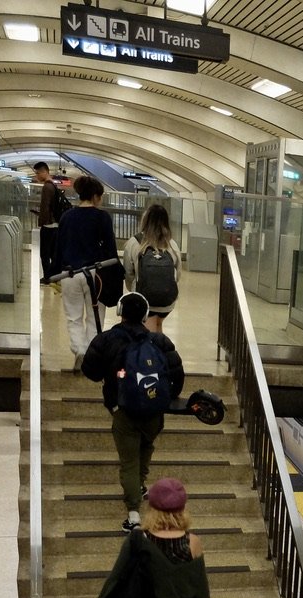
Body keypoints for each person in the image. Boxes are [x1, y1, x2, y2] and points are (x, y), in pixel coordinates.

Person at [81, 292, 184, 532]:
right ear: (146, 315)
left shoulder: (107, 339)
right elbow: (177, 374)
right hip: (154, 411)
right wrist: (166, 399)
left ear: (120, 312)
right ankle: (138, 486)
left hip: (123, 411)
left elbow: (91, 371)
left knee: (128, 462)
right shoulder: (159, 341)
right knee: (145, 449)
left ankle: (134, 514)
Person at [53, 174, 120, 370]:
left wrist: (53, 272)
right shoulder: (102, 217)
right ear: (96, 196)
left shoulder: (67, 217)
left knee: (73, 316)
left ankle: (79, 350)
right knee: (95, 317)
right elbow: (111, 250)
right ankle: (91, 356)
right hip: (96, 274)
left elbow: (59, 248)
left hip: (70, 274)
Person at [123, 204, 182, 332]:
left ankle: (152, 349)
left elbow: (128, 273)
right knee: (157, 324)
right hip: (167, 301)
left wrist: (134, 289)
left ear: (145, 220)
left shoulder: (135, 242)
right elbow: (177, 274)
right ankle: (159, 347)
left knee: (148, 330)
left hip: (143, 298)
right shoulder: (172, 244)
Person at [33, 161, 61, 284]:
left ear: (44, 172)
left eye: (38, 173)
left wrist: (41, 221)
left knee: (45, 253)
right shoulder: (53, 185)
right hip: (55, 224)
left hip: (48, 225)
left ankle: (47, 277)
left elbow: (45, 207)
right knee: (53, 253)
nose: (37, 176)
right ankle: (55, 276)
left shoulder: (47, 187)